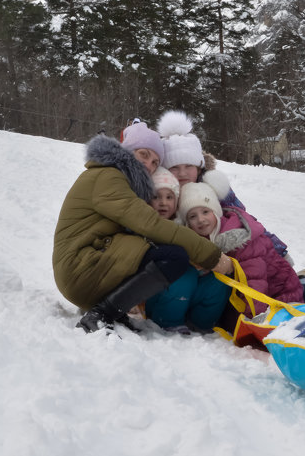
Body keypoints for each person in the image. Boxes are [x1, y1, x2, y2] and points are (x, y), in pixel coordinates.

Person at [52, 121, 232, 333]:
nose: (149, 165)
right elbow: (150, 224)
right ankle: (102, 314)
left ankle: (113, 309)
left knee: (160, 251)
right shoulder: (108, 176)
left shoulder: (121, 180)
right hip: (80, 268)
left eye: (155, 162)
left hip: (89, 262)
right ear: (127, 151)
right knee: (172, 256)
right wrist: (210, 255)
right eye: (144, 155)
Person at [157, 110, 290, 258]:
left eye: (188, 166)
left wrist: (277, 250)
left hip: (226, 254)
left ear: (199, 166)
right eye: (174, 167)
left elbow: (244, 220)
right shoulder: (162, 193)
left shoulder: (213, 187)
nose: (182, 173)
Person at [178, 178, 304, 317]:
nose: (200, 219)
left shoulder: (239, 238)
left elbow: (255, 282)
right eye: (192, 216)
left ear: (216, 212)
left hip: (280, 294)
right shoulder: (202, 240)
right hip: (250, 296)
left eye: (205, 212)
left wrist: (254, 319)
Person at [142, 164, 231, 332]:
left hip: (185, 295)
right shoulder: (144, 224)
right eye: (156, 197)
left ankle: (201, 324)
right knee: (185, 273)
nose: (163, 203)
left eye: (169, 197)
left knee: (218, 280)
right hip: (155, 296)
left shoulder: (186, 224)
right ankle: (168, 322)